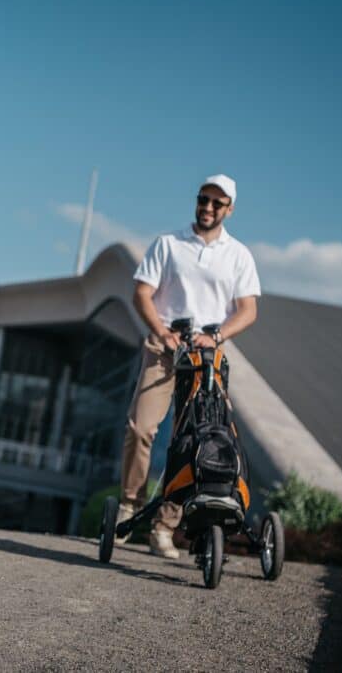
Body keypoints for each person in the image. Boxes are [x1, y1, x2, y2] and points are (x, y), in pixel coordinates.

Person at [119, 174, 260, 559]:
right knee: (141, 428)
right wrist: (163, 332)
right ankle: (129, 504)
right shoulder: (168, 244)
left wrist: (216, 336)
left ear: (229, 209)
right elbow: (141, 294)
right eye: (203, 199)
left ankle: (164, 526)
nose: (208, 208)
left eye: (217, 203)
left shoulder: (239, 255)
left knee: (195, 440)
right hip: (165, 350)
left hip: (207, 359)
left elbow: (248, 310)